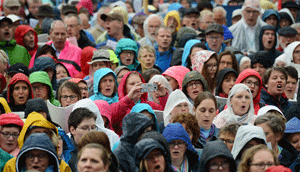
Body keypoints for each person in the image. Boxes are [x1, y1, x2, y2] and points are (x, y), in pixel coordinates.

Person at [4, 112, 71, 171]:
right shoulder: (12, 166)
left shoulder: (61, 167)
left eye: (46, 133)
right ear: (25, 136)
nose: (42, 136)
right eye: (36, 133)